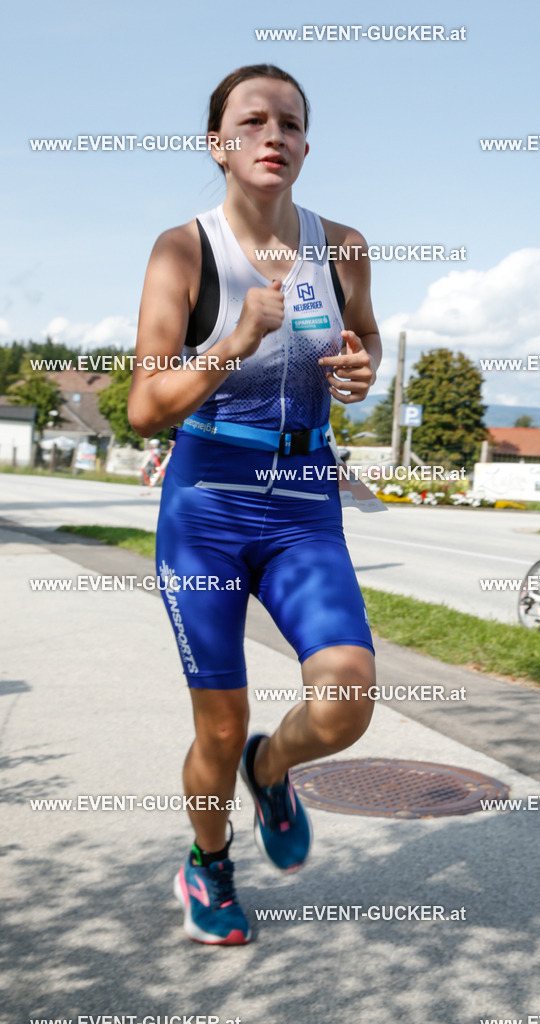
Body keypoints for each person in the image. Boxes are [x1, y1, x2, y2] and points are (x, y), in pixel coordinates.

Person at [128, 65, 381, 945]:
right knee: (219, 718)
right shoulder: (183, 251)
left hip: (305, 498)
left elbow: (367, 338)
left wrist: (361, 370)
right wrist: (233, 341)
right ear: (219, 144)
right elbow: (143, 408)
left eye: (291, 123)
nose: (273, 134)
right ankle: (207, 862)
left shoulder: (341, 244)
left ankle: (271, 770)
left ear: (306, 147)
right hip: (207, 504)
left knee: (346, 700)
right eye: (253, 120)